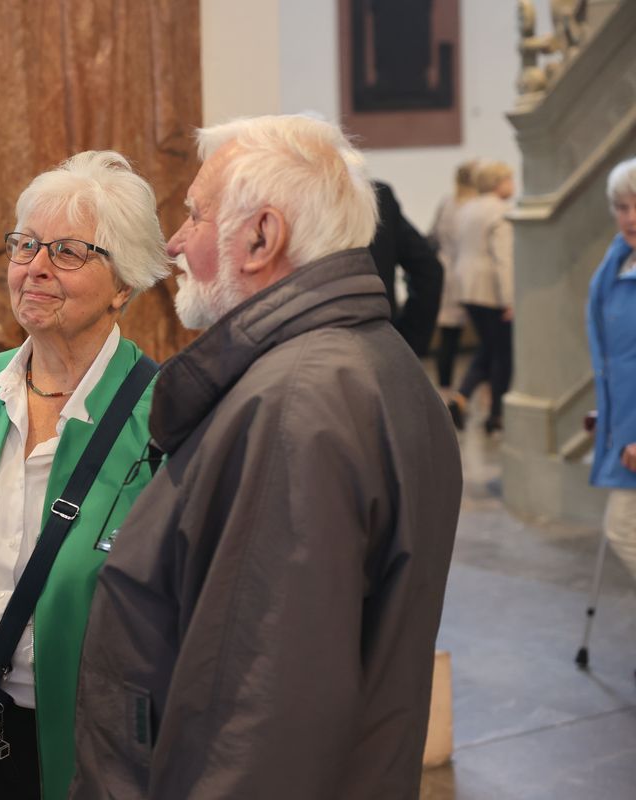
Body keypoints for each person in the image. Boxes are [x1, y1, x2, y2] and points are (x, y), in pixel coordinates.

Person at [72, 115, 462, 799]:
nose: (175, 240)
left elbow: (258, 715)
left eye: (194, 215)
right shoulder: (362, 360)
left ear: (260, 237)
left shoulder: (293, 407)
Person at [0, 151, 169, 799]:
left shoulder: (164, 417)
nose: (36, 268)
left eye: (70, 252)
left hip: (89, 748)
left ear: (124, 282)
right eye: (26, 246)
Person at [587, 156, 636, 581]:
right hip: (624, 426)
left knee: (622, 530)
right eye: (622, 206)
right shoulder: (618, 263)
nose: (631, 217)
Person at [446, 160, 516, 433]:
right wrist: (510, 299)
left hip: (467, 287)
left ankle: (461, 396)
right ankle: (496, 415)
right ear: (499, 183)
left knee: (488, 348)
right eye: (509, 179)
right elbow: (504, 259)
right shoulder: (501, 211)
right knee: (503, 355)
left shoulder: (467, 208)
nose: (513, 184)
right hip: (491, 290)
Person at [367, 180, 444, 356]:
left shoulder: (295, 201)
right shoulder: (376, 197)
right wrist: (409, 343)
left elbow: (428, 270)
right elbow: (429, 270)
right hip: (381, 342)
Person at [429, 160, 479, 390]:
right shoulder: (476, 206)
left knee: (448, 336)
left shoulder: (447, 203)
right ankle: (478, 389)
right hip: (470, 275)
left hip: (446, 272)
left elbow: (432, 235)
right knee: (487, 337)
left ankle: (445, 389)